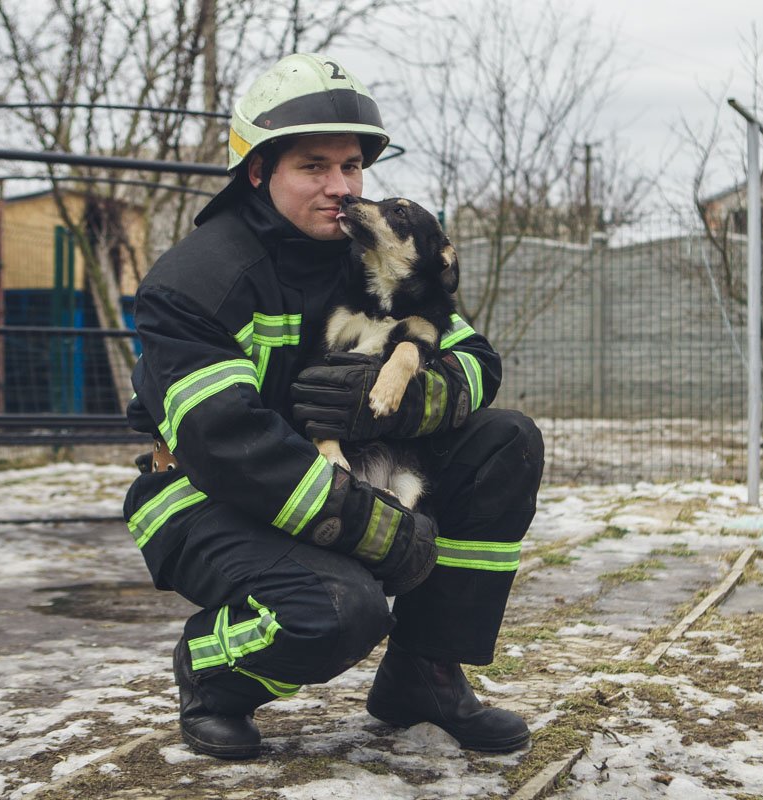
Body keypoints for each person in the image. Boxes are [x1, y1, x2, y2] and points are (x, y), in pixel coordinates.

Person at [122, 52, 544, 760]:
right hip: (203, 499)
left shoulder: (366, 253)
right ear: (259, 172)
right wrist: (362, 522)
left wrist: (411, 404)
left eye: (351, 167)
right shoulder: (196, 281)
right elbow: (225, 440)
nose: (342, 188)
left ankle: (425, 673)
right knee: (340, 611)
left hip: (342, 474)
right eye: (314, 167)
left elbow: (475, 360)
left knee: (505, 441)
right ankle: (214, 674)